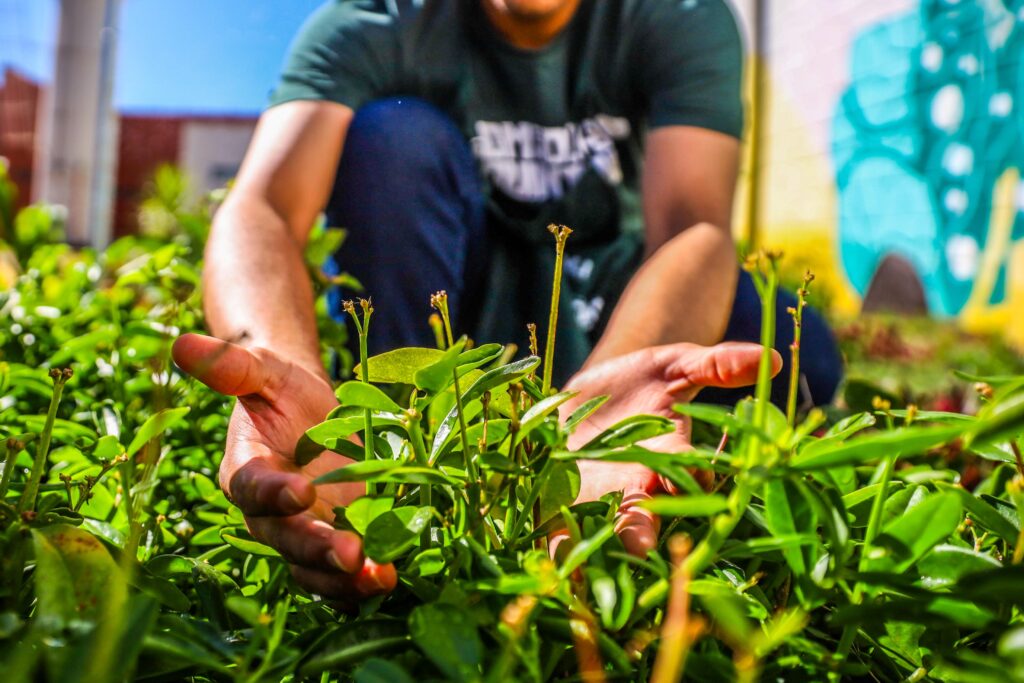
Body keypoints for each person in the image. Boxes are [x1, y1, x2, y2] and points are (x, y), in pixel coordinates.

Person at [172, 0, 842, 603]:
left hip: (609, 298)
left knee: (793, 345)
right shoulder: (376, 20)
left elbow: (695, 223)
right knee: (390, 137)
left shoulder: (679, 14)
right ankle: (410, 441)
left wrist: (609, 395)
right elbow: (262, 207)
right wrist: (276, 365)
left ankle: (619, 437)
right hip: (456, 306)